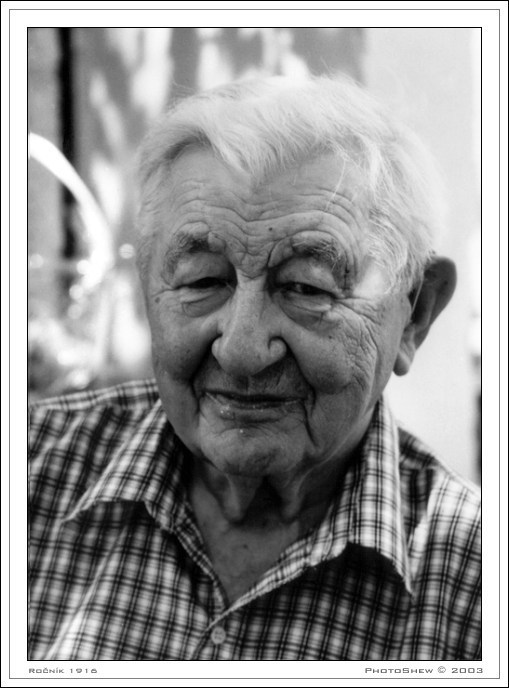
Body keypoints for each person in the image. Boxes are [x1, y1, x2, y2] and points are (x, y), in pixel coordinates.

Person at [29, 76, 481, 661]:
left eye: (306, 288)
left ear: (415, 312)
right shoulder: (29, 470)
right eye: (202, 281)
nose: (241, 351)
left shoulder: (477, 580)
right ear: (147, 286)